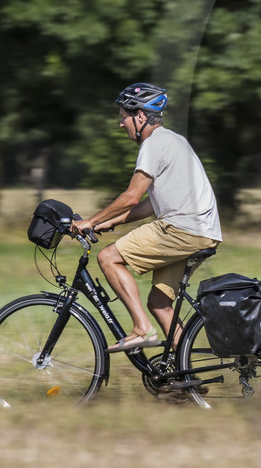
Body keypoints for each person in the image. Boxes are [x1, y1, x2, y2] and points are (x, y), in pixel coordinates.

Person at [69, 83, 223, 353]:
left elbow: (131, 196)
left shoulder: (153, 144)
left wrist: (90, 221)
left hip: (181, 229)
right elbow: (150, 204)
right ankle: (186, 377)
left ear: (140, 116)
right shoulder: (174, 140)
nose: (121, 124)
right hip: (202, 232)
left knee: (107, 258)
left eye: (123, 116)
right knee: (160, 304)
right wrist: (111, 221)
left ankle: (142, 329)